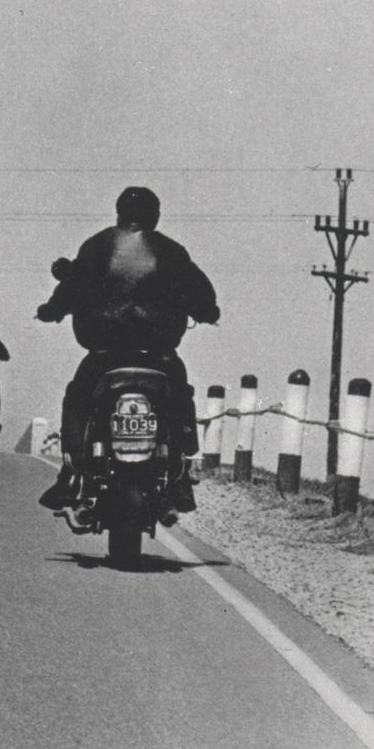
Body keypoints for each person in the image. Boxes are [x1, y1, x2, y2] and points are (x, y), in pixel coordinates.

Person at [35, 186, 219, 514]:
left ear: (119, 213)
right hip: (158, 356)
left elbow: (70, 288)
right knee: (180, 398)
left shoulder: (96, 246)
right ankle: (180, 476)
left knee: (77, 398)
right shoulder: (173, 252)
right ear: (156, 216)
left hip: (105, 354)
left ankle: (71, 473)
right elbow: (202, 295)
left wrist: (51, 310)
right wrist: (207, 313)